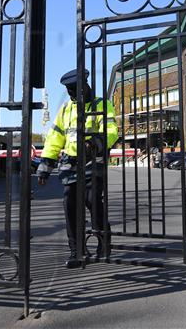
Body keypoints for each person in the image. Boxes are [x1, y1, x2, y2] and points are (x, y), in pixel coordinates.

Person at [37, 68, 118, 268]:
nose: (74, 94)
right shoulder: (65, 109)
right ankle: (76, 251)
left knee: (92, 200)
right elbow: (55, 138)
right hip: (70, 164)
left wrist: (96, 142)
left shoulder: (102, 104)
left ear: (85, 86)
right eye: (70, 90)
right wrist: (45, 166)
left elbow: (112, 131)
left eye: (76, 89)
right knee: (70, 205)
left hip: (93, 161)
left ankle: (103, 241)